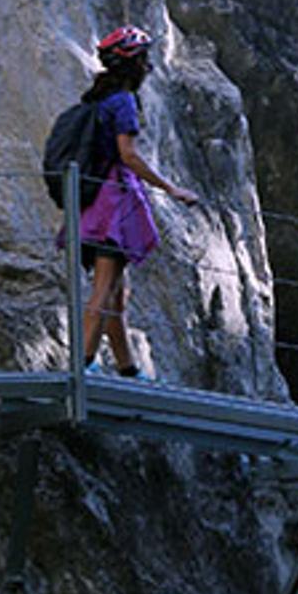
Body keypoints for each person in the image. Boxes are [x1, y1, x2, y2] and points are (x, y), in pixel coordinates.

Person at [79, 26, 197, 380]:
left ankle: (127, 368)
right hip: (113, 204)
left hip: (91, 202)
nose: (148, 67)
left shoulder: (96, 100)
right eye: (144, 60)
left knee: (117, 291)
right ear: (131, 64)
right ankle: (81, 366)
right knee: (104, 287)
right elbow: (127, 155)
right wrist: (170, 187)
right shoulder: (124, 102)